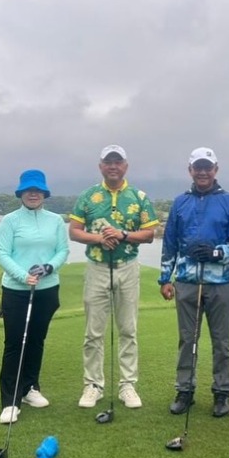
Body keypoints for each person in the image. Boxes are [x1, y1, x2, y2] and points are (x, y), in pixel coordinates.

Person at [158, 147, 229, 418]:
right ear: (190, 170)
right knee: (187, 340)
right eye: (198, 167)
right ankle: (185, 391)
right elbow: (170, 243)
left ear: (215, 169)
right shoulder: (180, 203)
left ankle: (222, 392)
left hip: (220, 283)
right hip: (186, 281)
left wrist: (216, 253)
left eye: (207, 167)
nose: (203, 172)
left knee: (221, 341)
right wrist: (165, 278)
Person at [69, 145, 159, 409]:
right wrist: (99, 238)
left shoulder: (139, 197)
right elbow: (74, 231)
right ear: (101, 166)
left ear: (125, 166)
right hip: (97, 267)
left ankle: (127, 385)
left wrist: (122, 235)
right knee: (93, 332)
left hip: (128, 267)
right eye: (108, 162)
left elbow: (150, 234)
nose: (113, 166)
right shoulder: (88, 196)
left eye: (117, 162)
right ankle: (93, 385)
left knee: (128, 330)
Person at [0, 169, 69, 424]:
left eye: (38, 190)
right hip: (16, 291)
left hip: (47, 290)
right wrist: (22, 276)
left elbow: (63, 251)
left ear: (44, 193)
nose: (33, 194)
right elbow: (1, 253)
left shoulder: (55, 220)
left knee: (36, 341)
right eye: (29, 190)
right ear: (21, 193)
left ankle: (29, 389)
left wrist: (49, 267)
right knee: (15, 343)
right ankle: (10, 400)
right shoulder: (10, 221)